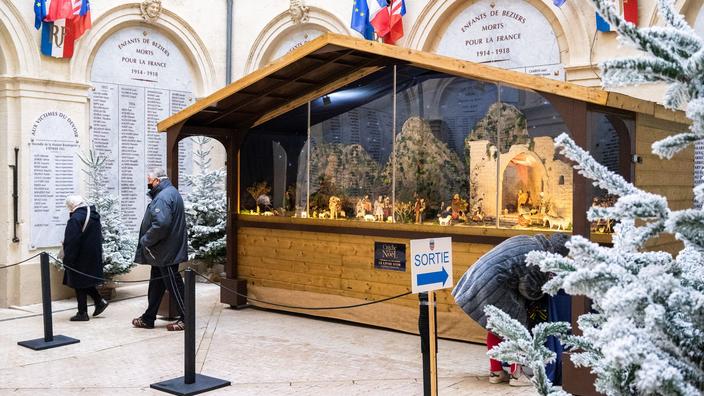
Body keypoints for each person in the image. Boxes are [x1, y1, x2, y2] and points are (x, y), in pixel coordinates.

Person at [451, 233, 569, 386]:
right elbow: (527, 289)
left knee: (496, 324)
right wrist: (542, 287)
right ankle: (516, 374)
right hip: (495, 285)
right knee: (516, 327)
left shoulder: (529, 240)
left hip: (479, 277)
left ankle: (496, 371)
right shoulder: (540, 258)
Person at [132, 168, 188, 331]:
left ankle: (187, 318)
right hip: (162, 251)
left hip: (165, 251)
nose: (148, 183)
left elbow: (161, 224)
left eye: (150, 180)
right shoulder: (171, 192)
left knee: (174, 284)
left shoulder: (163, 197)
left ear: (157, 181)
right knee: (156, 284)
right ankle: (149, 317)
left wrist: (146, 240)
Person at [62, 195, 109, 321]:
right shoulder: (93, 215)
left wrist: (68, 259)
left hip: (79, 256)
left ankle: (82, 313)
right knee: (84, 282)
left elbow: (72, 241)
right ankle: (99, 301)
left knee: (78, 283)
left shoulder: (76, 219)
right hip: (92, 255)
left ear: (72, 206)